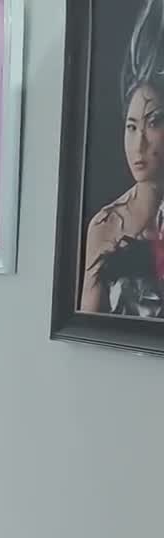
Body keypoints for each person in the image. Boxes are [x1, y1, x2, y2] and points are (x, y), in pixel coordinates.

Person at [81, 0, 164, 316]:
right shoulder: (105, 226)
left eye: (153, 123)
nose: (138, 143)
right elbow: (87, 326)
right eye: (131, 127)